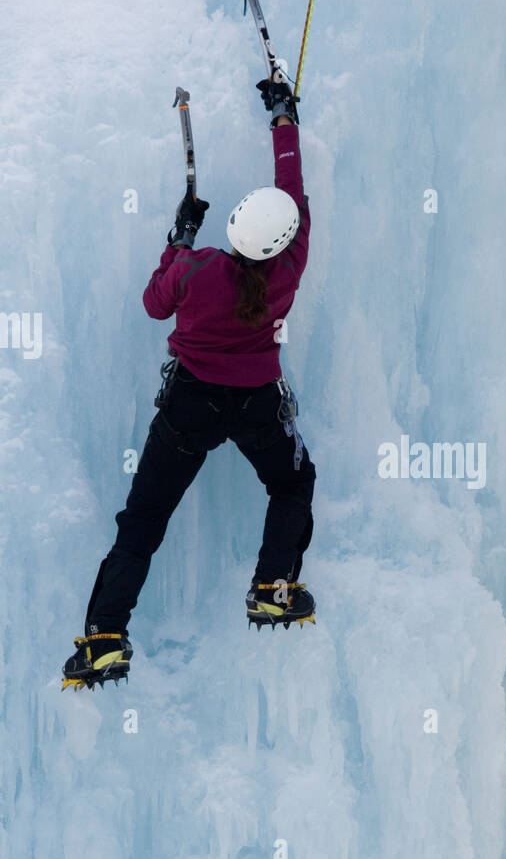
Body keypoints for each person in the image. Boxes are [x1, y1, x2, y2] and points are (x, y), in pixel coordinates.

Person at [62, 78, 316, 691]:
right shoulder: (290, 266)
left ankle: (104, 639)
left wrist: (177, 241)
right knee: (292, 482)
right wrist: (283, 118)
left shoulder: (194, 270)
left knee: (143, 521)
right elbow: (293, 190)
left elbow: (154, 305)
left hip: (188, 408)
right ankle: (273, 589)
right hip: (257, 407)